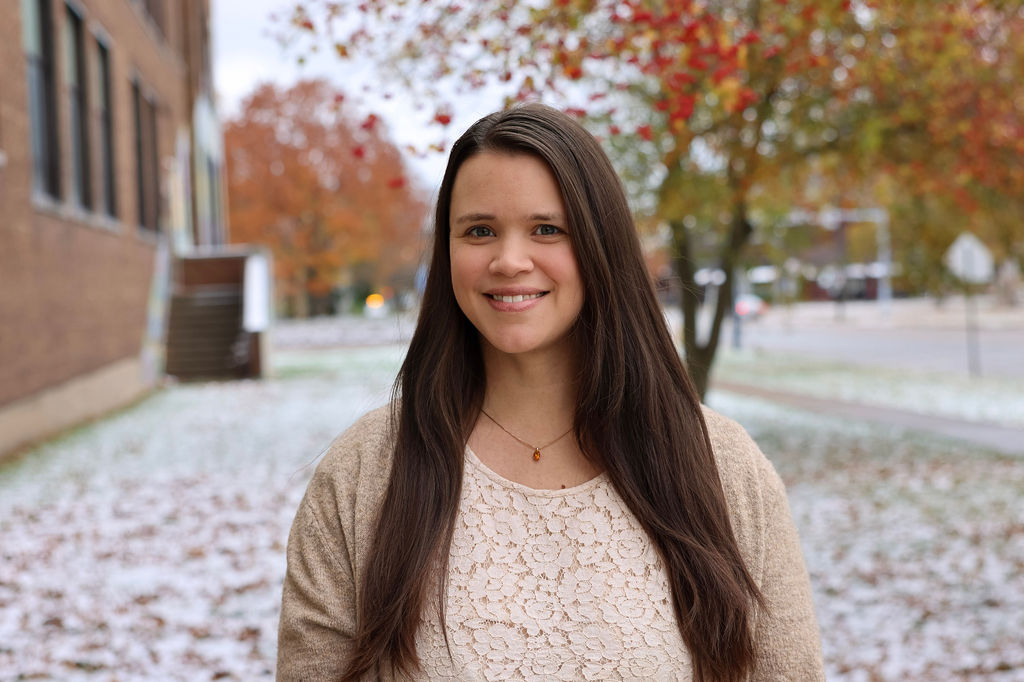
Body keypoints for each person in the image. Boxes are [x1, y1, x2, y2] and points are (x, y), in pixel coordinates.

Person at [277, 104, 824, 681]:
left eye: (547, 229)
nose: (509, 260)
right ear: (447, 251)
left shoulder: (722, 467)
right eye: (479, 230)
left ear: (599, 246)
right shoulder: (364, 473)